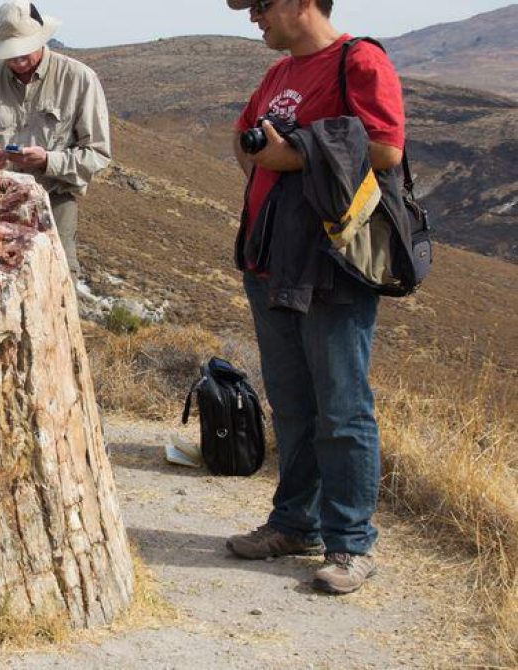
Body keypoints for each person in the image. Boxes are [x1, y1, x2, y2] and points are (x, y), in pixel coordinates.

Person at [224, 0, 406, 595]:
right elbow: (244, 139)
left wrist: (294, 154)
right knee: (294, 402)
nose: (255, 17)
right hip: (271, 259)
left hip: (331, 265)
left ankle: (351, 544)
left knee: (342, 405)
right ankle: (293, 523)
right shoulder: (277, 73)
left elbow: (384, 150)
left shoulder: (360, 62)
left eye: (262, 5)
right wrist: (260, 151)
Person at [0, 0, 111, 286]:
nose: (16, 58)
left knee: (58, 282)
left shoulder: (80, 80)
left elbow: (97, 154)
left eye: (23, 48)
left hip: (55, 201)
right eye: (9, 52)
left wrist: (48, 160)